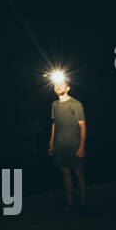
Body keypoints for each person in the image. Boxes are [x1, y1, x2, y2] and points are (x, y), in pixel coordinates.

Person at [47, 77, 86, 210]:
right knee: (65, 172)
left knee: (78, 172)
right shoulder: (54, 105)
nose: (58, 87)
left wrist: (81, 146)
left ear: (67, 88)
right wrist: (51, 142)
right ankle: (69, 202)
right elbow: (54, 124)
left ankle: (83, 201)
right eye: (56, 85)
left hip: (73, 144)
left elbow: (83, 126)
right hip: (59, 144)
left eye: (61, 85)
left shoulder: (76, 104)